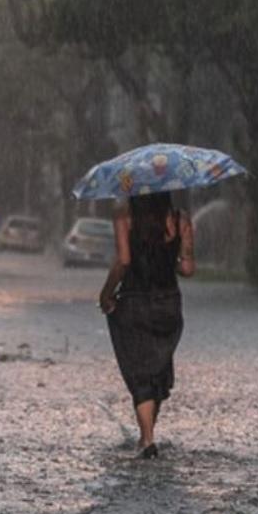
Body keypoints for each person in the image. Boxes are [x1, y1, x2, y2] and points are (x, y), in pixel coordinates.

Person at [98, 191, 195, 459]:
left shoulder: (124, 215)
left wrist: (106, 294)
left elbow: (124, 261)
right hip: (168, 304)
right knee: (158, 367)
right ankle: (148, 432)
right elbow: (187, 268)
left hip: (134, 303)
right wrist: (167, 257)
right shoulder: (180, 219)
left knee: (139, 370)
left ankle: (147, 439)